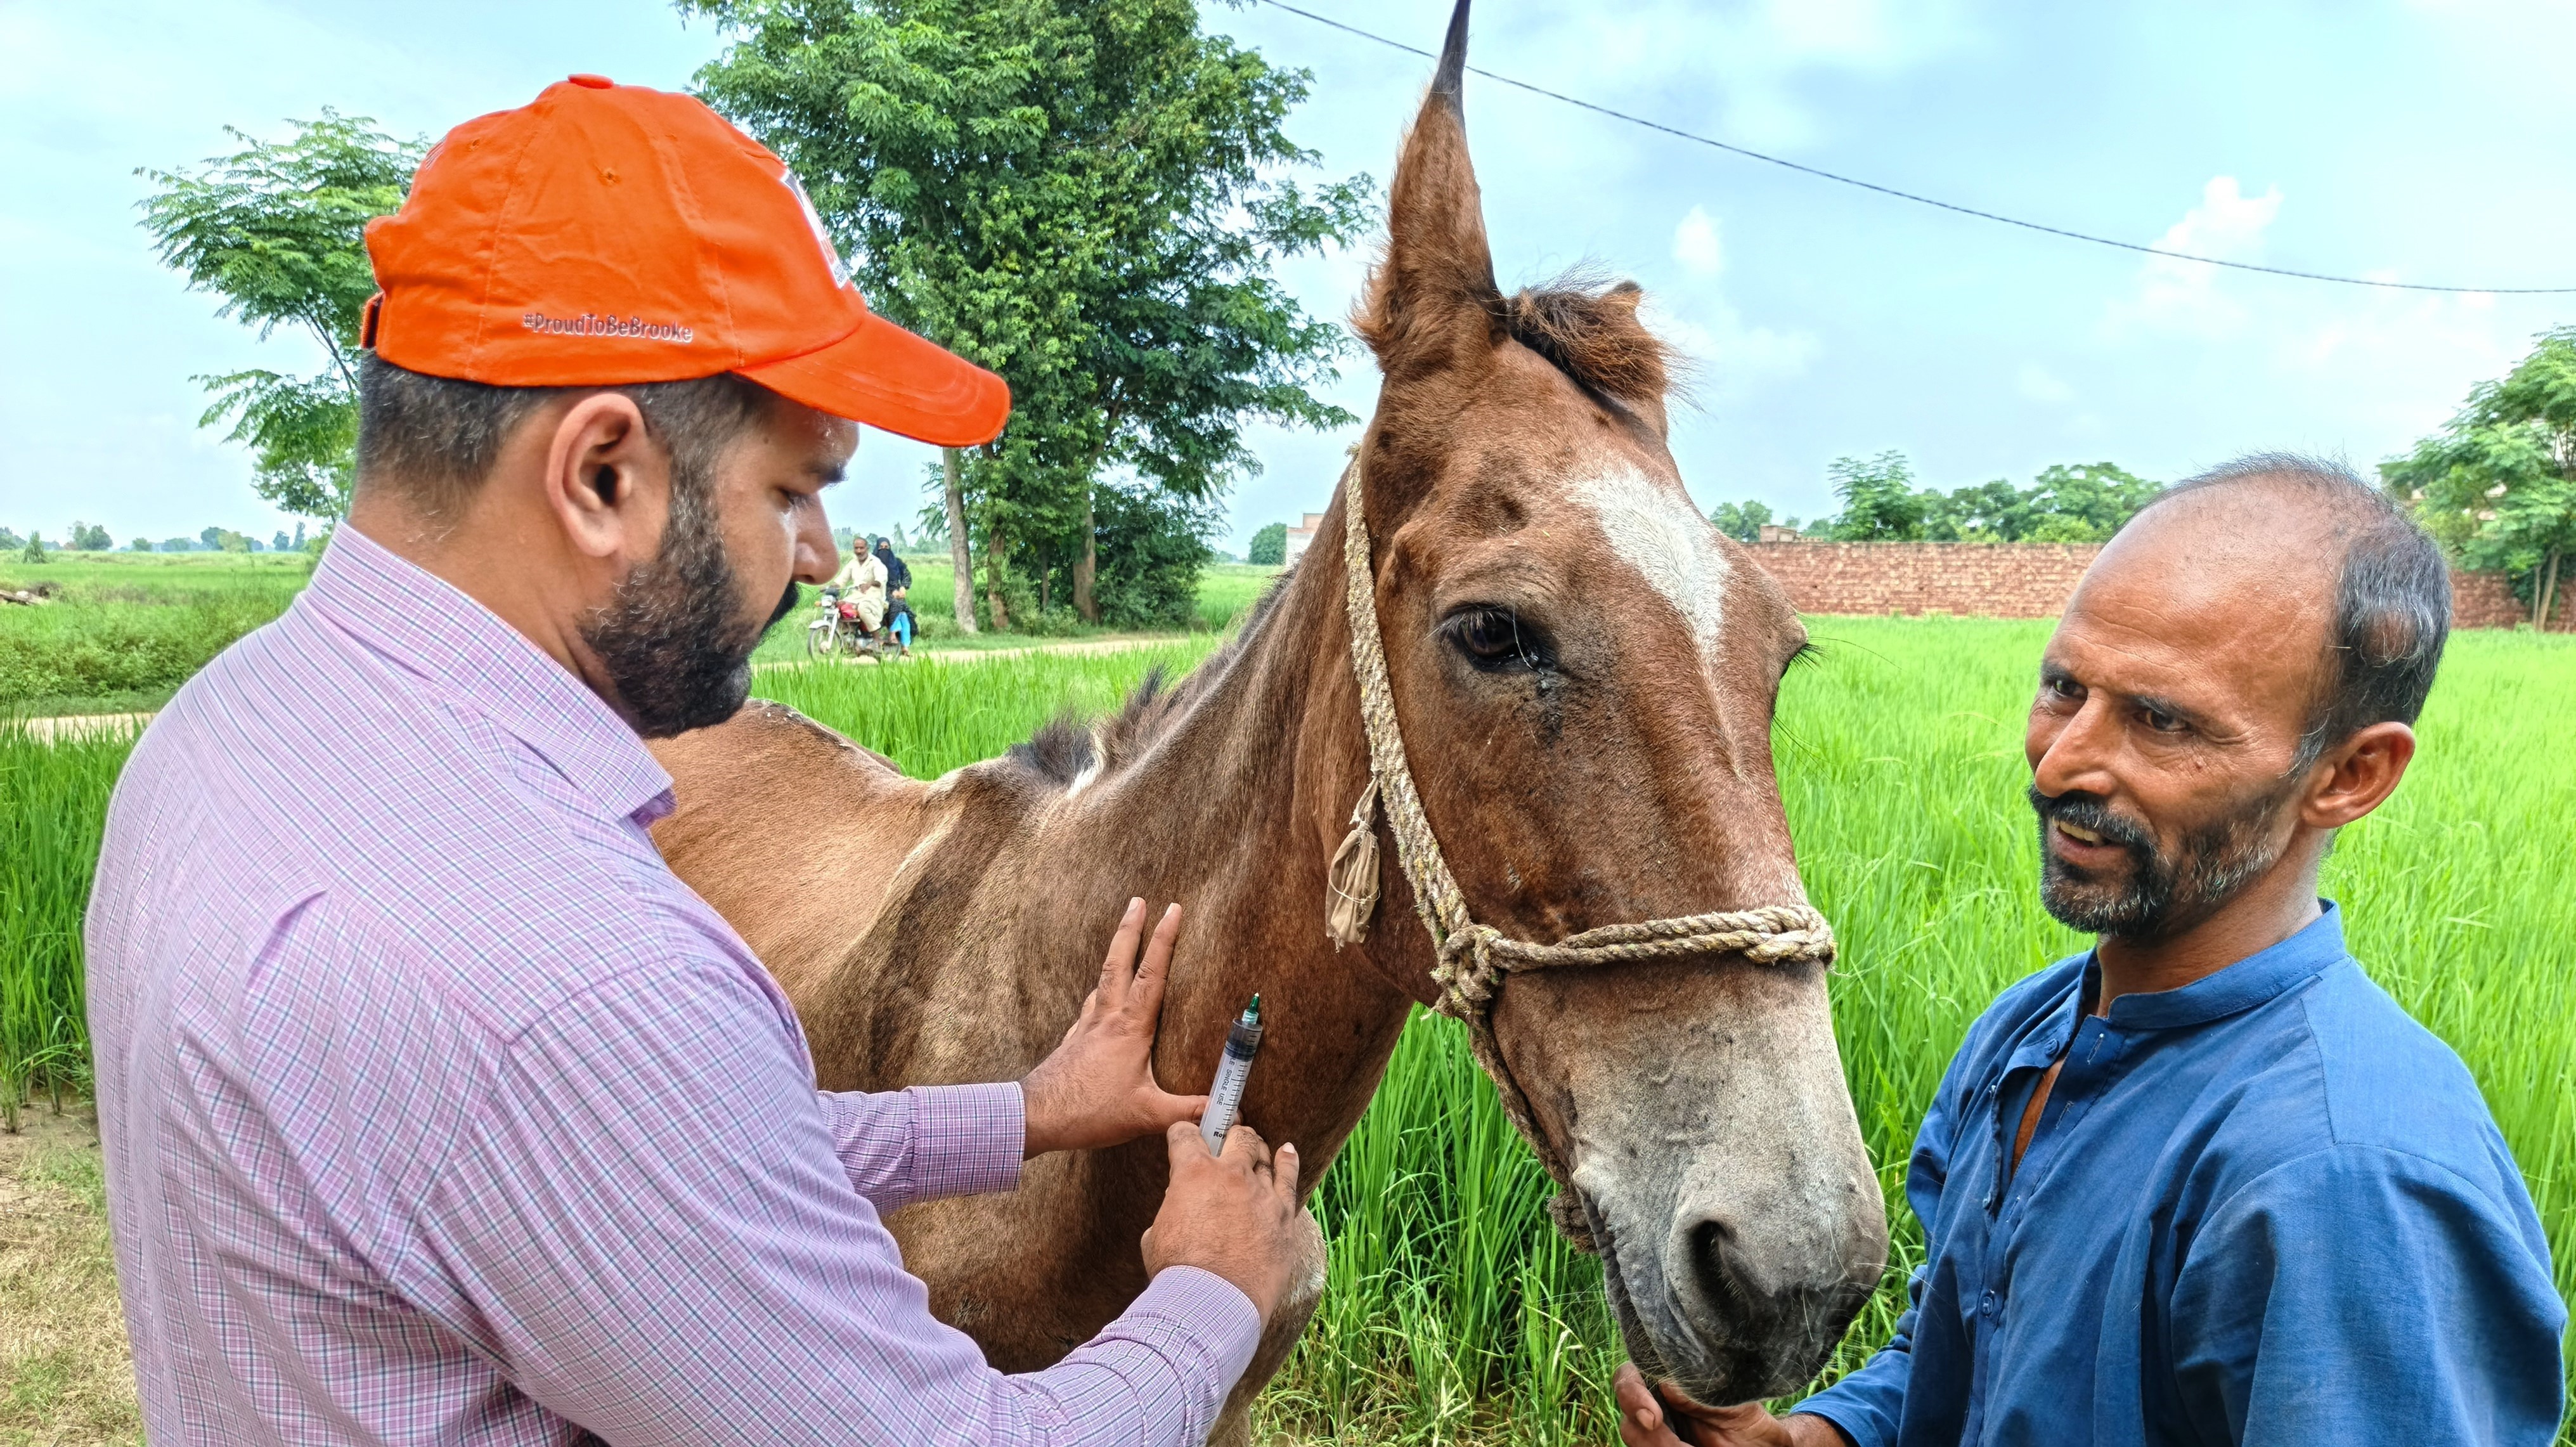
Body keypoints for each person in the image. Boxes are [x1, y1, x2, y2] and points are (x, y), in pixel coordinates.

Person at [85, 75, 1307, 1447]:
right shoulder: (570, 977)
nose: (826, 557)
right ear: (605, 474)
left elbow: (662, 1177)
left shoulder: (225, 730)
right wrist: (1214, 1295)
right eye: (792, 490)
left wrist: (1018, 1112)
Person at [1618, 456, 2566, 1447]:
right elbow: (1965, 1361)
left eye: (2161, 721)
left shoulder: (2344, 1176)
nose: (2062, 760)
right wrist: (1821, 1438)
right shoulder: (2028, 1033)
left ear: (2349, 773)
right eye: (2063, 687)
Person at [829, 532, 889, 633]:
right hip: (855, 597)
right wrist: (830, 587)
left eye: (861, 548)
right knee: (837, 606)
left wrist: (869, 584)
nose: (859, 551)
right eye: (856, 548)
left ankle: (877, 638)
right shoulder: (853, 563)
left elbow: (881, 579)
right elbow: (842, 580)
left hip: (873, 598)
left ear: (867, 548)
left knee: (863, 607)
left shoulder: (875, 562)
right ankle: (846, 633)